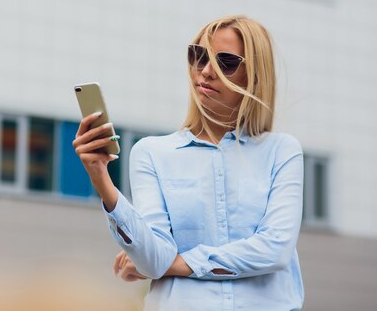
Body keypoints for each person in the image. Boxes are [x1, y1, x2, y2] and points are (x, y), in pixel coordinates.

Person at [73, 15, 304, 311]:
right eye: (198, 56)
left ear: (255, 77)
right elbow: (154, 258)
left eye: (226, 62)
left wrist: (175, 264)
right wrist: (102, 180)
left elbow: (275, 250)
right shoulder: (152, 153)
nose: (206, 71)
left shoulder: (281, 151)